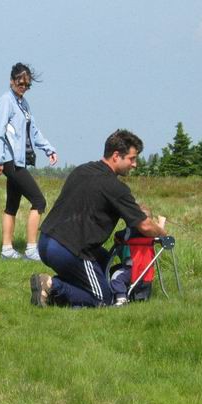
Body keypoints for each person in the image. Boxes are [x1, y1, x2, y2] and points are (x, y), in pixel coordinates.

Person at [31, 129, 167, 307]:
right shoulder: (115, 187)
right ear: (116, 155)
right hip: (69, 249)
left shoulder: (81, 170)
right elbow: (146, 226)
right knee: (104, 299)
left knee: (105, 263)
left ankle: (50, 293)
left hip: (45, 241)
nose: (135, 165)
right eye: (132, 159)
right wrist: (163, 234)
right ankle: (52, 285)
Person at [0, 63, 57, 261]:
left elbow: (33, 131)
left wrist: (48, 149)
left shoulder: (23, 104)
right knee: (39, 201)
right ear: (12, 81)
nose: (24, 87)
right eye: (21, 83)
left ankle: (7, 249)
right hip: (11, 161)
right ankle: (31, 249)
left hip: (21, 160)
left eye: (27, 85)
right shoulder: (6, 101)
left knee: (12, 204)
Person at [110, 205, 166, 306]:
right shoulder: (152, 236)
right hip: (146, 271)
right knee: (115, 270)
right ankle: (126, 295)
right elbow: (161, 234)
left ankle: (121, 299)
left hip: (132, 267)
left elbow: (118, 236)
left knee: (116, 276)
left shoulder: (129, 232)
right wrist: (161, 223)